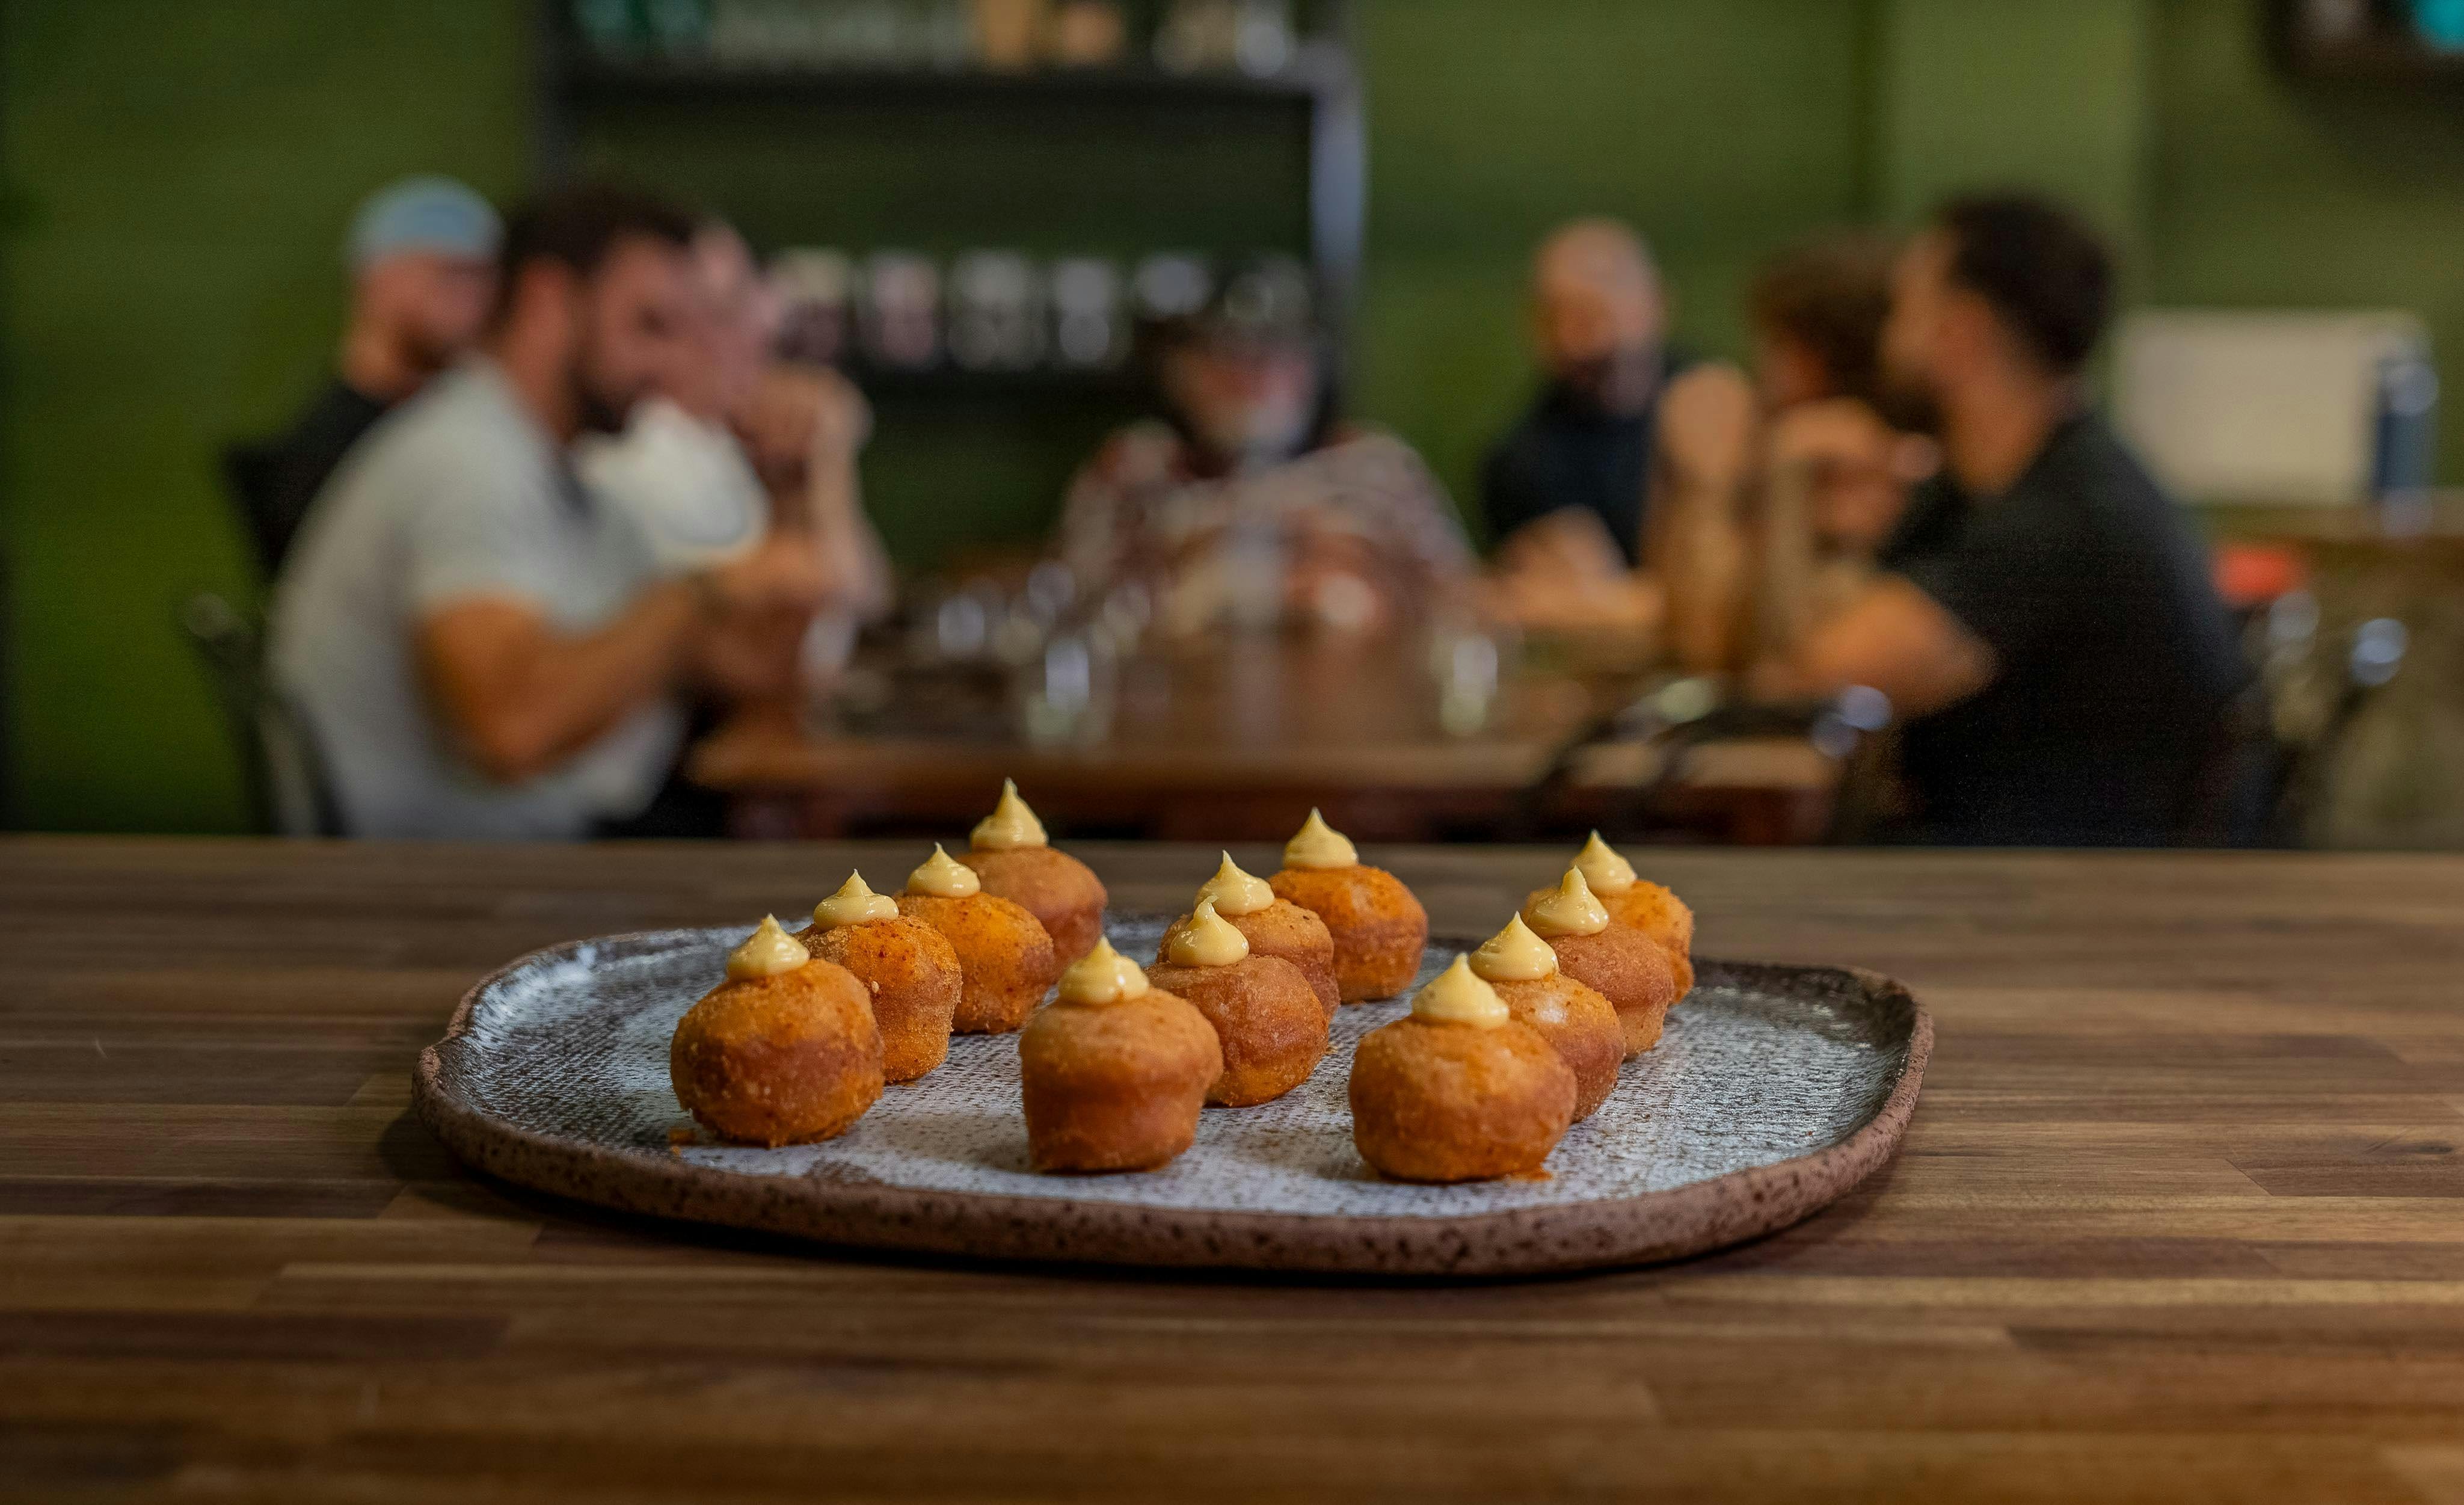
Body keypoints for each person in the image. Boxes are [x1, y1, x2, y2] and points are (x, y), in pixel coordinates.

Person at [271, 186, 830, 839]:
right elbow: (511, 733)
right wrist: (701, 591)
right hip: (439, 882)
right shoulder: (468, 462)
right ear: (547, 303)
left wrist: (790, 492)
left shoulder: (555, 466)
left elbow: (757, 672)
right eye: (649, 326)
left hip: (516, 855)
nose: (675, 363)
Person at [1754, 193, 2246, 845]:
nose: (1887, 338)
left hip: (2055, 891)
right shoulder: (1988, 487)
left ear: (1960, 331)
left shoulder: (2068, 513)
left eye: (1904, 307)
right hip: (2009, 861)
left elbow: (1816, 678)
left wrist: (1774, 482)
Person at [1054, 258, 1470, 637]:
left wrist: (1355, 566)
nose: (1256, 378)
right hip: (1181, 692)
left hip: (1355, 693)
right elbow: (1068, 608)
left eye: (1280, 355)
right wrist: (1192, 558)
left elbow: (1459, 601)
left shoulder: (1377, 464)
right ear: (1178, 371)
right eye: (1228, 355)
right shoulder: (1135, 465)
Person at [580, 220, 892, 678]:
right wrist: (829, 455)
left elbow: (866, 602)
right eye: (729, 308)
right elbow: (826, 622)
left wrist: (811, 472)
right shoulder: (644, 454)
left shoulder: (717, 441)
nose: (763, 323)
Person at [242, 177, 501, 577]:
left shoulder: (490, 430)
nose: (475, 297)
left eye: (485, 278)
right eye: (452, 273)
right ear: (376, 277)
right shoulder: (323, 458)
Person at [1480, 218, 1693, 568]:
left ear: (1655, 304)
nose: (1573, 342)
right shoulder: (1525, 464)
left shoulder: (1720, 397)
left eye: (1591, 315)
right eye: (1553, 318)